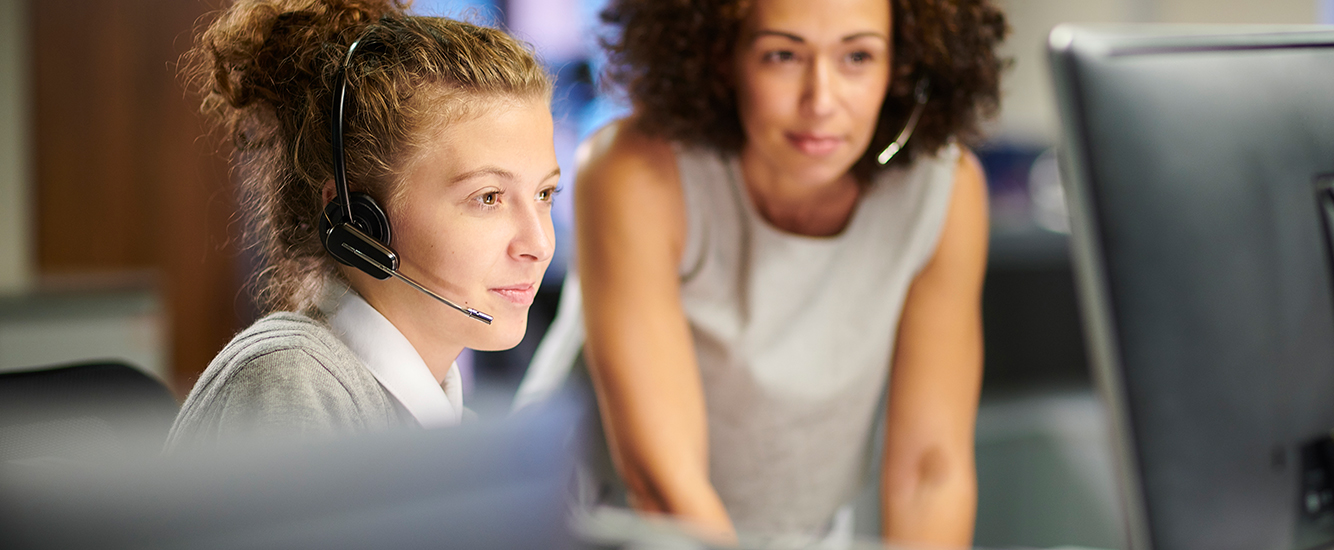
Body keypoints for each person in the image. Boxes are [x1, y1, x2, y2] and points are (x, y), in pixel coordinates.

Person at [516, 0, 1008, 546]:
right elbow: (665, 488)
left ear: (904, 63)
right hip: (608, 527)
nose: (821, 101)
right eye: (782, 55)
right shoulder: (635, 171)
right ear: (721, 56)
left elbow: (929, 476)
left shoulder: (946, 189)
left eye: (858, 57)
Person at [167, 0, 559, 450]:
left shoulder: (445, 423)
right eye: (488, 198)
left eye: (544, 194)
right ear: (358, 219)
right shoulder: (291, 387)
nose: (539, 243)